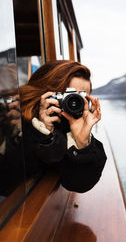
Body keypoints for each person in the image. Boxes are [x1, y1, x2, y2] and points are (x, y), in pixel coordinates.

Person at [19, 60, 107, 193]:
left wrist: (82, 144)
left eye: (83, 98)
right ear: (46, 95)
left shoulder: (71, 126)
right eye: (69, 96)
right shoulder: (17, 122)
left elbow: (80, 184)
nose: (75, 103)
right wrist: (43, 133)